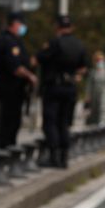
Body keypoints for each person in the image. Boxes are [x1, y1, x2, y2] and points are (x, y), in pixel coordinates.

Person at [37, 15, 88, 168]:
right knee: (64, 123)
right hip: (70, 88)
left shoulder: (54, 43)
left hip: (54, 88)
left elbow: (39, 59)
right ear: (71, 28)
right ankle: (64, 157)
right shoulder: (79, 45)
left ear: (58, 27)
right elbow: (83, 68)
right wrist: (75, 76)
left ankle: (54, 156)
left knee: (50, 122)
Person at [0, 12, 38, 149]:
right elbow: (15, 67)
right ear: (15, 24)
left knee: (13, 122)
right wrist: (31, 77)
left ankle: (9, 148)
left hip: (15, 90)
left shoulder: (15, 40)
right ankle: (6, 151)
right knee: (9, 122)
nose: (23, 27)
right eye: (22, 24)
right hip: (10, 88)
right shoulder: (8, 41)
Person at [84, 51, 105, 126]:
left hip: (104, 92)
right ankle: (93, 123)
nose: (100, 62)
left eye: (101, 60)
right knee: (94, 109)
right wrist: (87, 95)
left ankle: (102, 122)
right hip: (94, 93)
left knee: (102, 107)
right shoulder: (92, 72)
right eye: (98, 60)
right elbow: (89, 85)